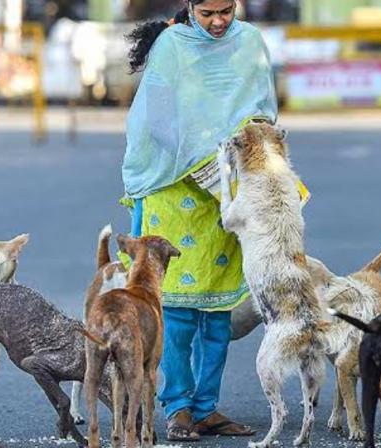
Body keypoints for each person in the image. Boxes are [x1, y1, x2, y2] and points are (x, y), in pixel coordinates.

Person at [121, 0, 277, 442]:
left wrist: (244, 155)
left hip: (225, 191)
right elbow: (157, 122)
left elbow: (262, 110)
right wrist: (198, 158)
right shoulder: (172, 46)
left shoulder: (250, 43)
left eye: (225, 11)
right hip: (175, 187)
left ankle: (207, 408)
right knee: (177, 308)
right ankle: (178, 407)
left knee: (218, 311)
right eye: (207, 12)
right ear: (190, 7)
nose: (217, 21)